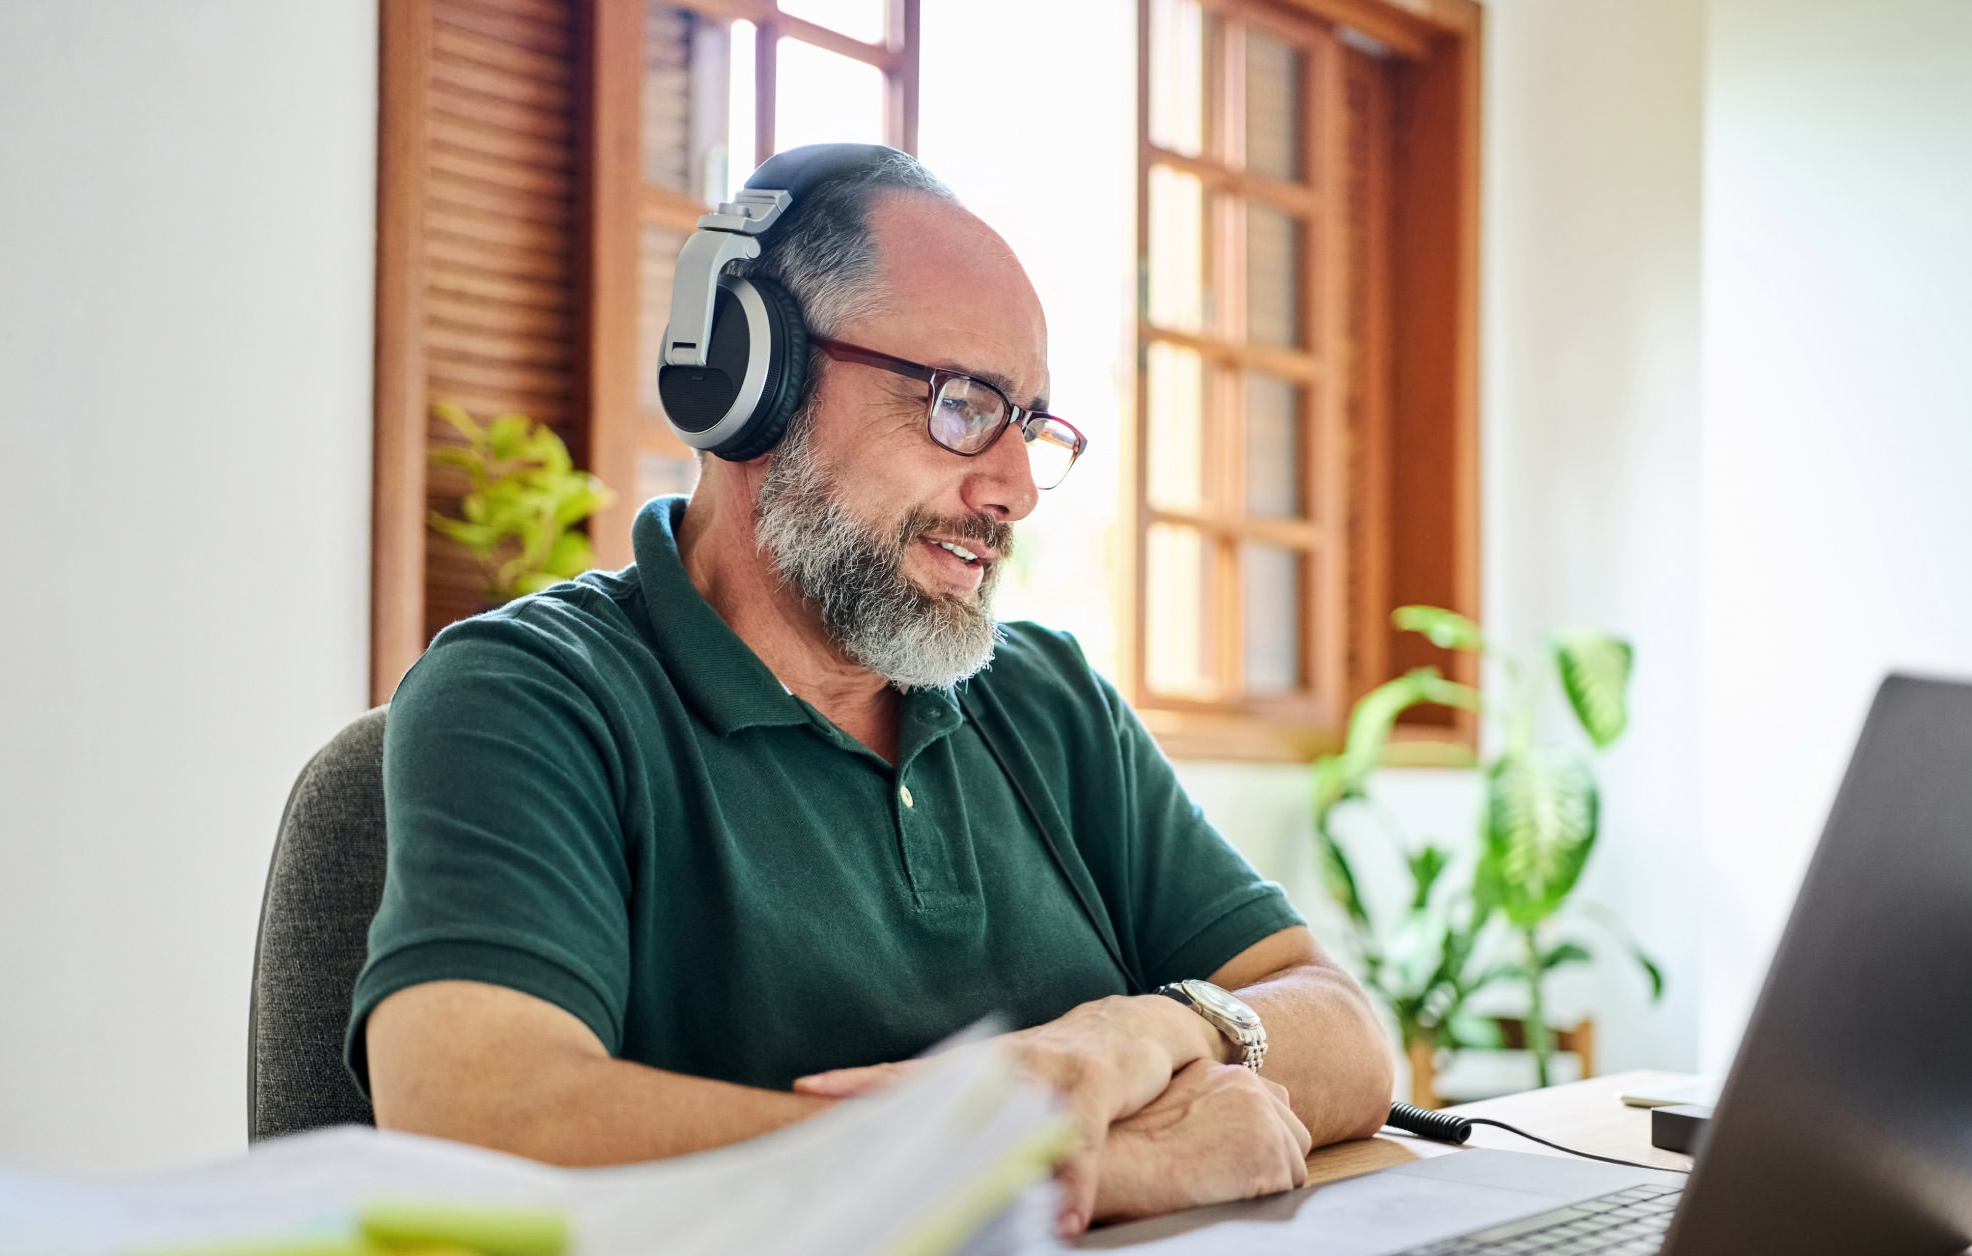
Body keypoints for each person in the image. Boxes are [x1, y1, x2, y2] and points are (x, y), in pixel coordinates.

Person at [349, 147, 1394, 1235]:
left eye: (1029, 423)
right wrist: (1074, 1167)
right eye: (960, 404)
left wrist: (1146, 1032)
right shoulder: (531, 696)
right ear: (749, 382)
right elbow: (471, 1117)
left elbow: (1345, 1029)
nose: (1015, 489)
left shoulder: (1048, 698)